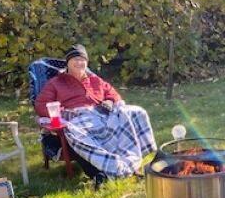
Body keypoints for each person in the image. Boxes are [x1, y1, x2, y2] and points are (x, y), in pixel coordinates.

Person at [34, 44, 156, 187]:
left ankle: (134, 158)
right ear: (67, 62)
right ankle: (111, 168)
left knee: (136, 112)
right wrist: (59, 112)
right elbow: (41, 105)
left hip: (101, 113)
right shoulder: (55, 83)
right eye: (75, 59)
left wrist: (110, 101)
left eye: (82, 59)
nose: (79, 63)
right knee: (77, 131)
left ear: (86, 62)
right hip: (76, 117)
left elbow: (112, 92)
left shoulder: (94, 79)